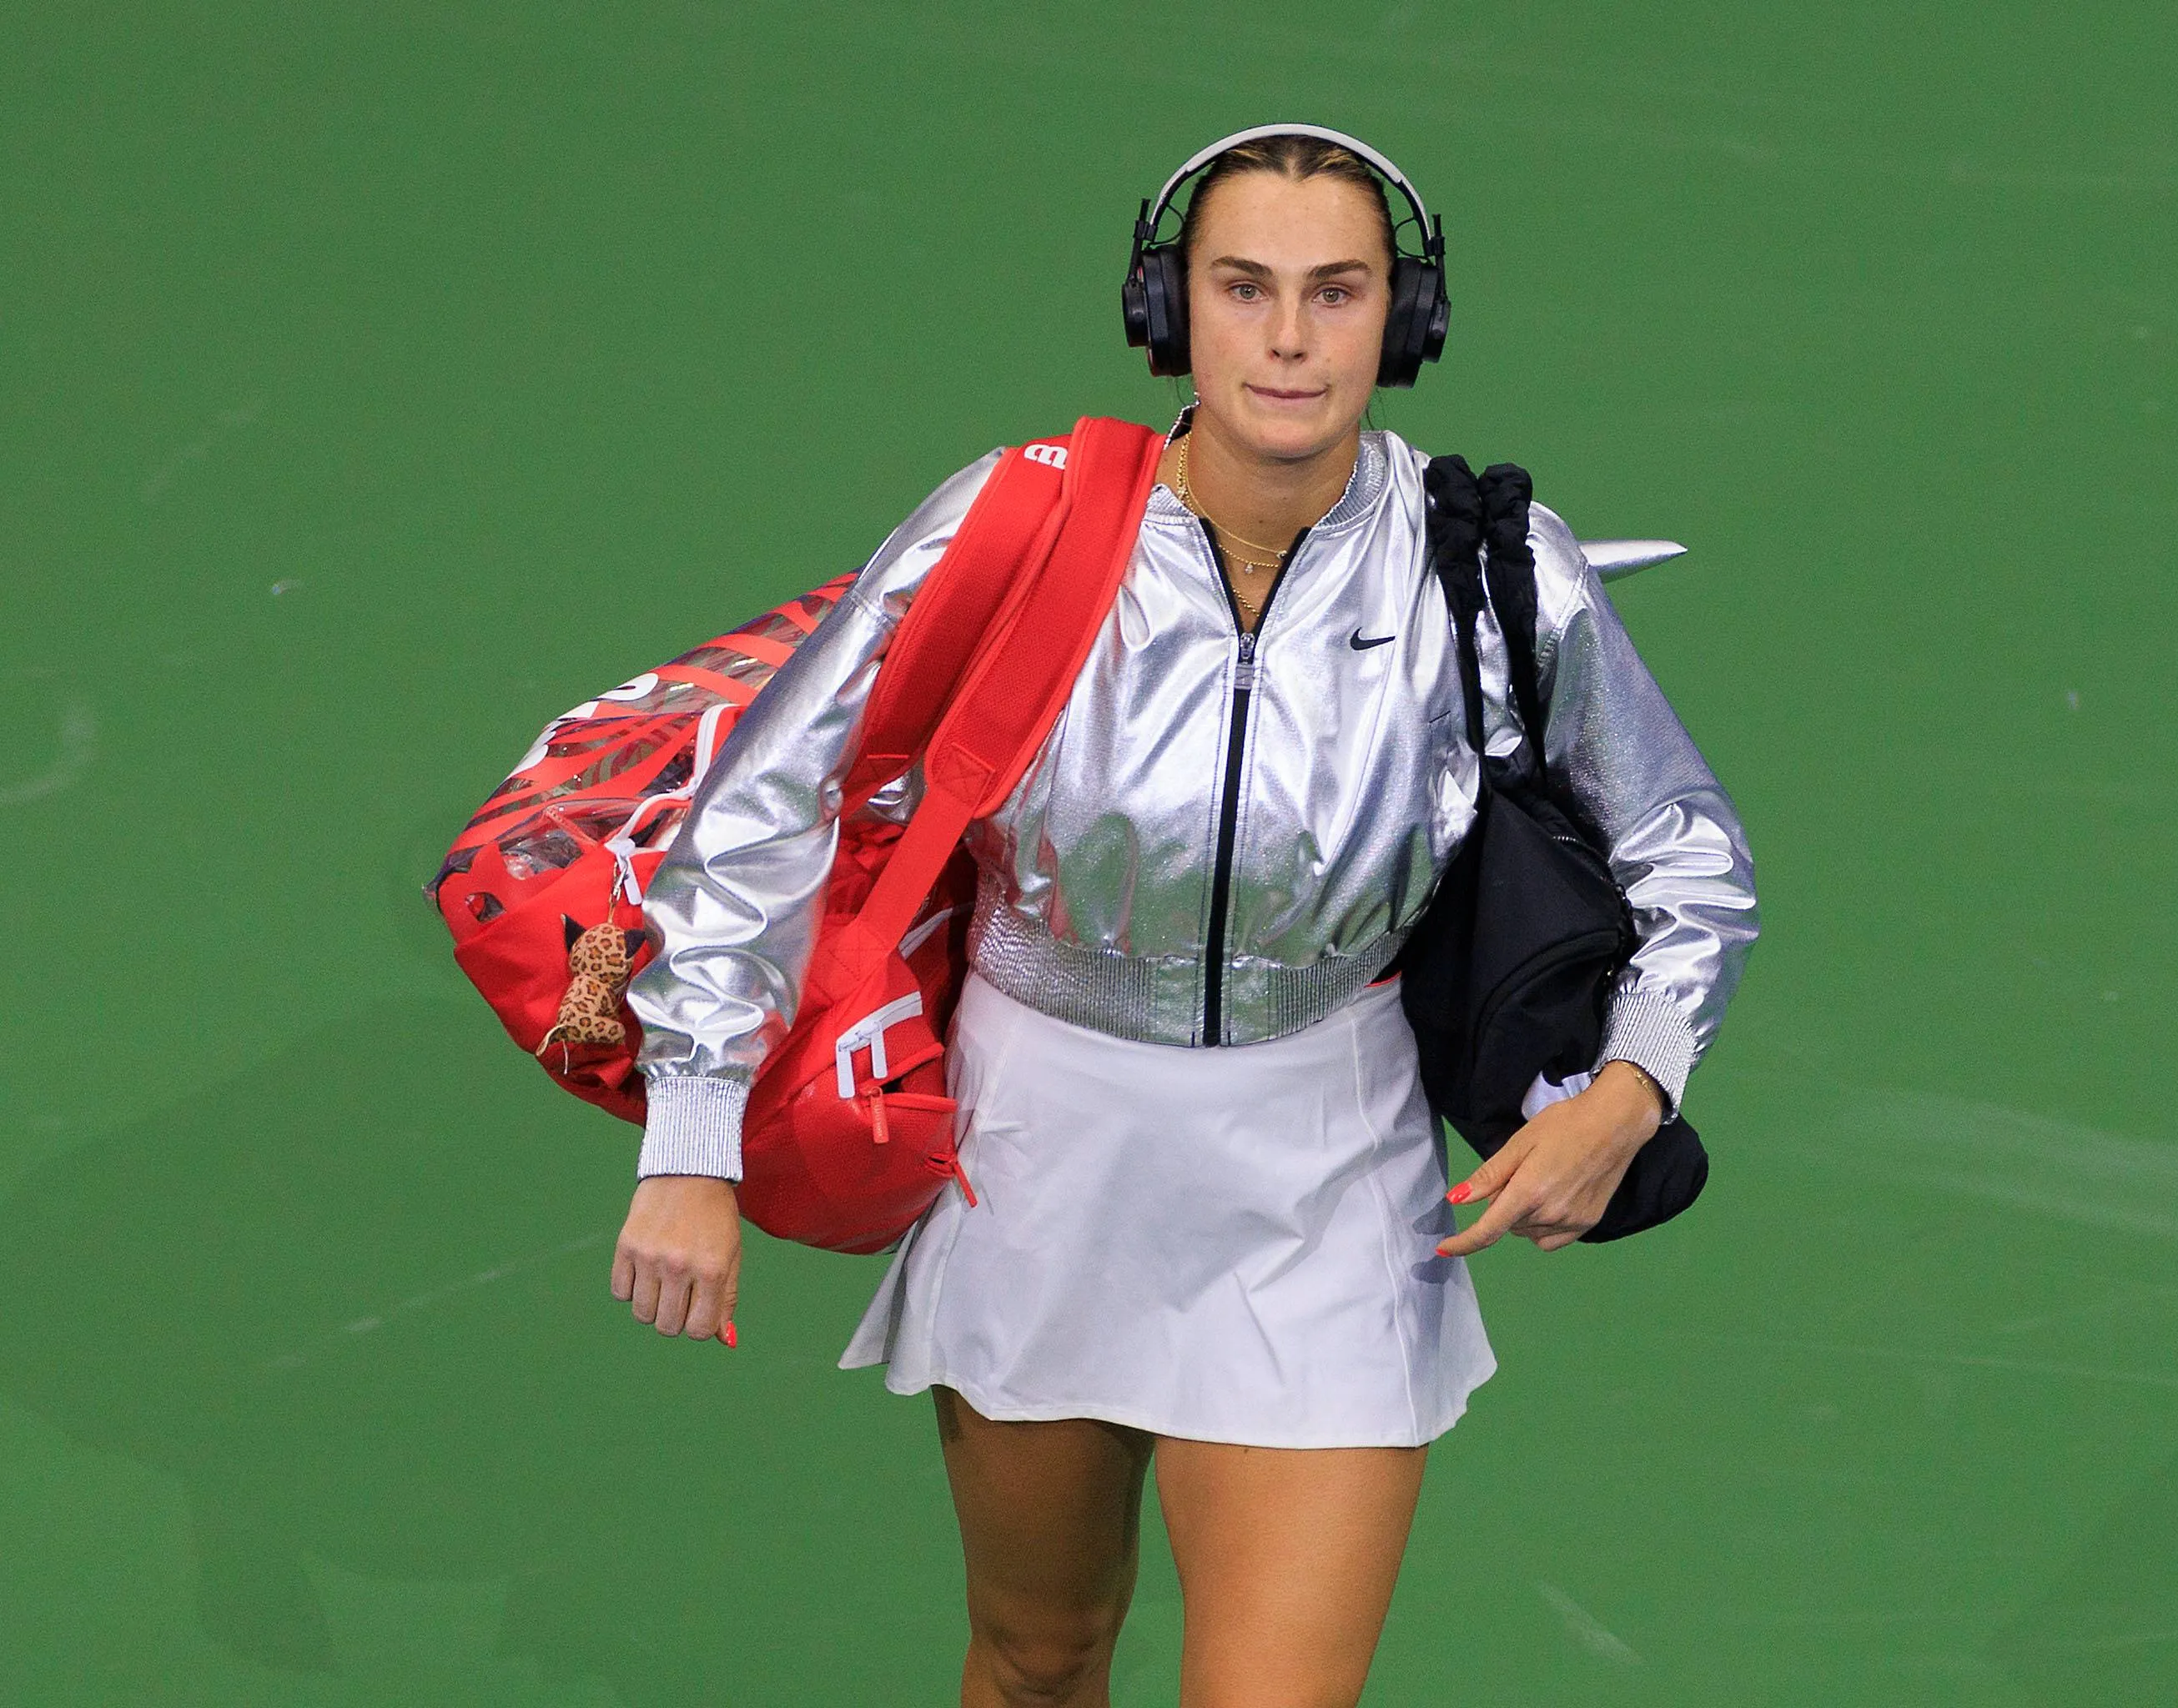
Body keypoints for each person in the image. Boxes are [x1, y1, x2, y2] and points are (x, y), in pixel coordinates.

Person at [607, 125, 1758, 1708]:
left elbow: (1690, 859)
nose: (1289, 338)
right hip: (1038, 1157)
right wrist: (692, 1132)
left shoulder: (1489, 567)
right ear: (1171, 312)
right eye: (1244, 288)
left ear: (1401, 324)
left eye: (1337, 292)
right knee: (1037, 1658)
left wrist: (1631, 1091)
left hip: (1326, 1174)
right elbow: (755, 808)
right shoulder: (1013, 529)